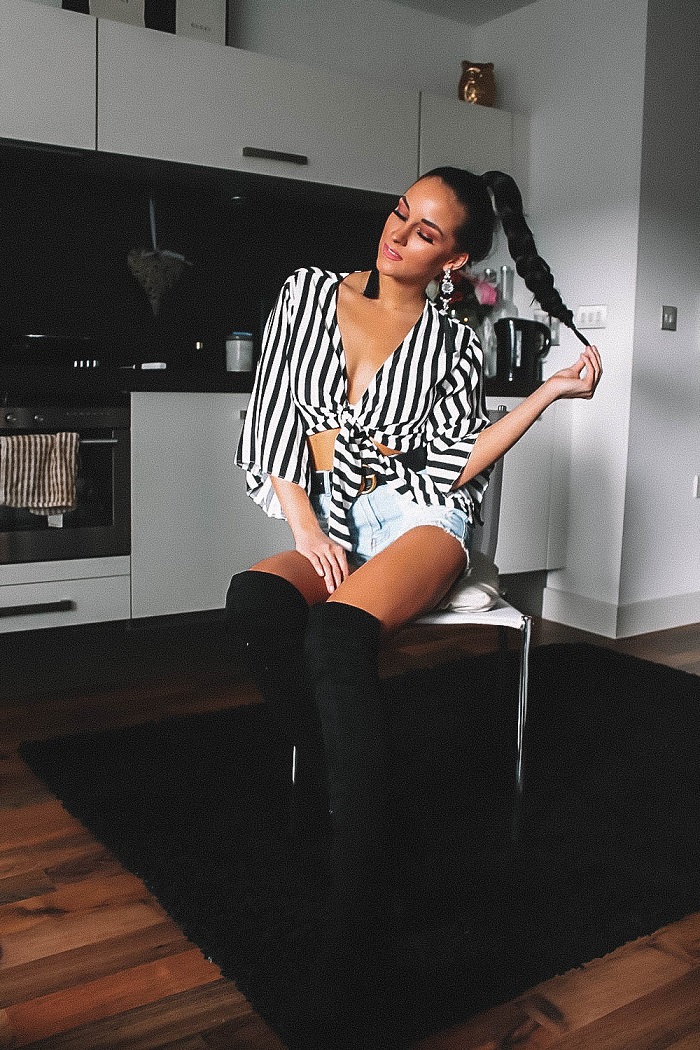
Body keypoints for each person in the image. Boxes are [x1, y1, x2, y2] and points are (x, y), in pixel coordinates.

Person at [225, 166, 602, 1044]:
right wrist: (306, 526)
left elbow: (454, 460)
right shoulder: (308, 294)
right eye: (400, 213)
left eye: (425, 232)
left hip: (423, 515)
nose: (398, 235)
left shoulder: (453, 343)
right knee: (258, 602)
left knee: (336, 636)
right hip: (335, 516)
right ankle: (368, 815)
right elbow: (273, 420)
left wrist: (547, 393)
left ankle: (354, 938)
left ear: (453, 259)